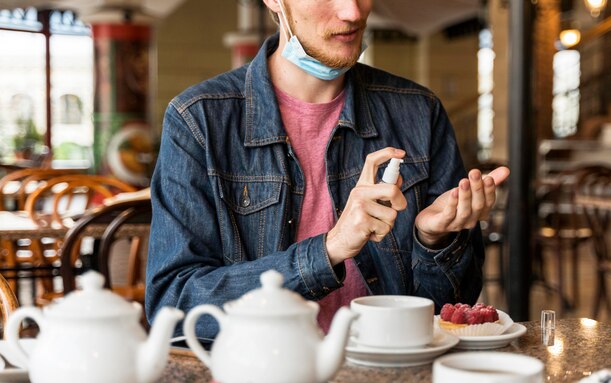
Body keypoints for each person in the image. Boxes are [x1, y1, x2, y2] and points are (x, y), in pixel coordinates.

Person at [146, 0, 510, 340]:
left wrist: (434, 241)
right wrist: (329, 250)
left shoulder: (419, 112)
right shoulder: (199, 121)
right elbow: (172, 306)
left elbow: (449, 311)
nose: (352, 12)